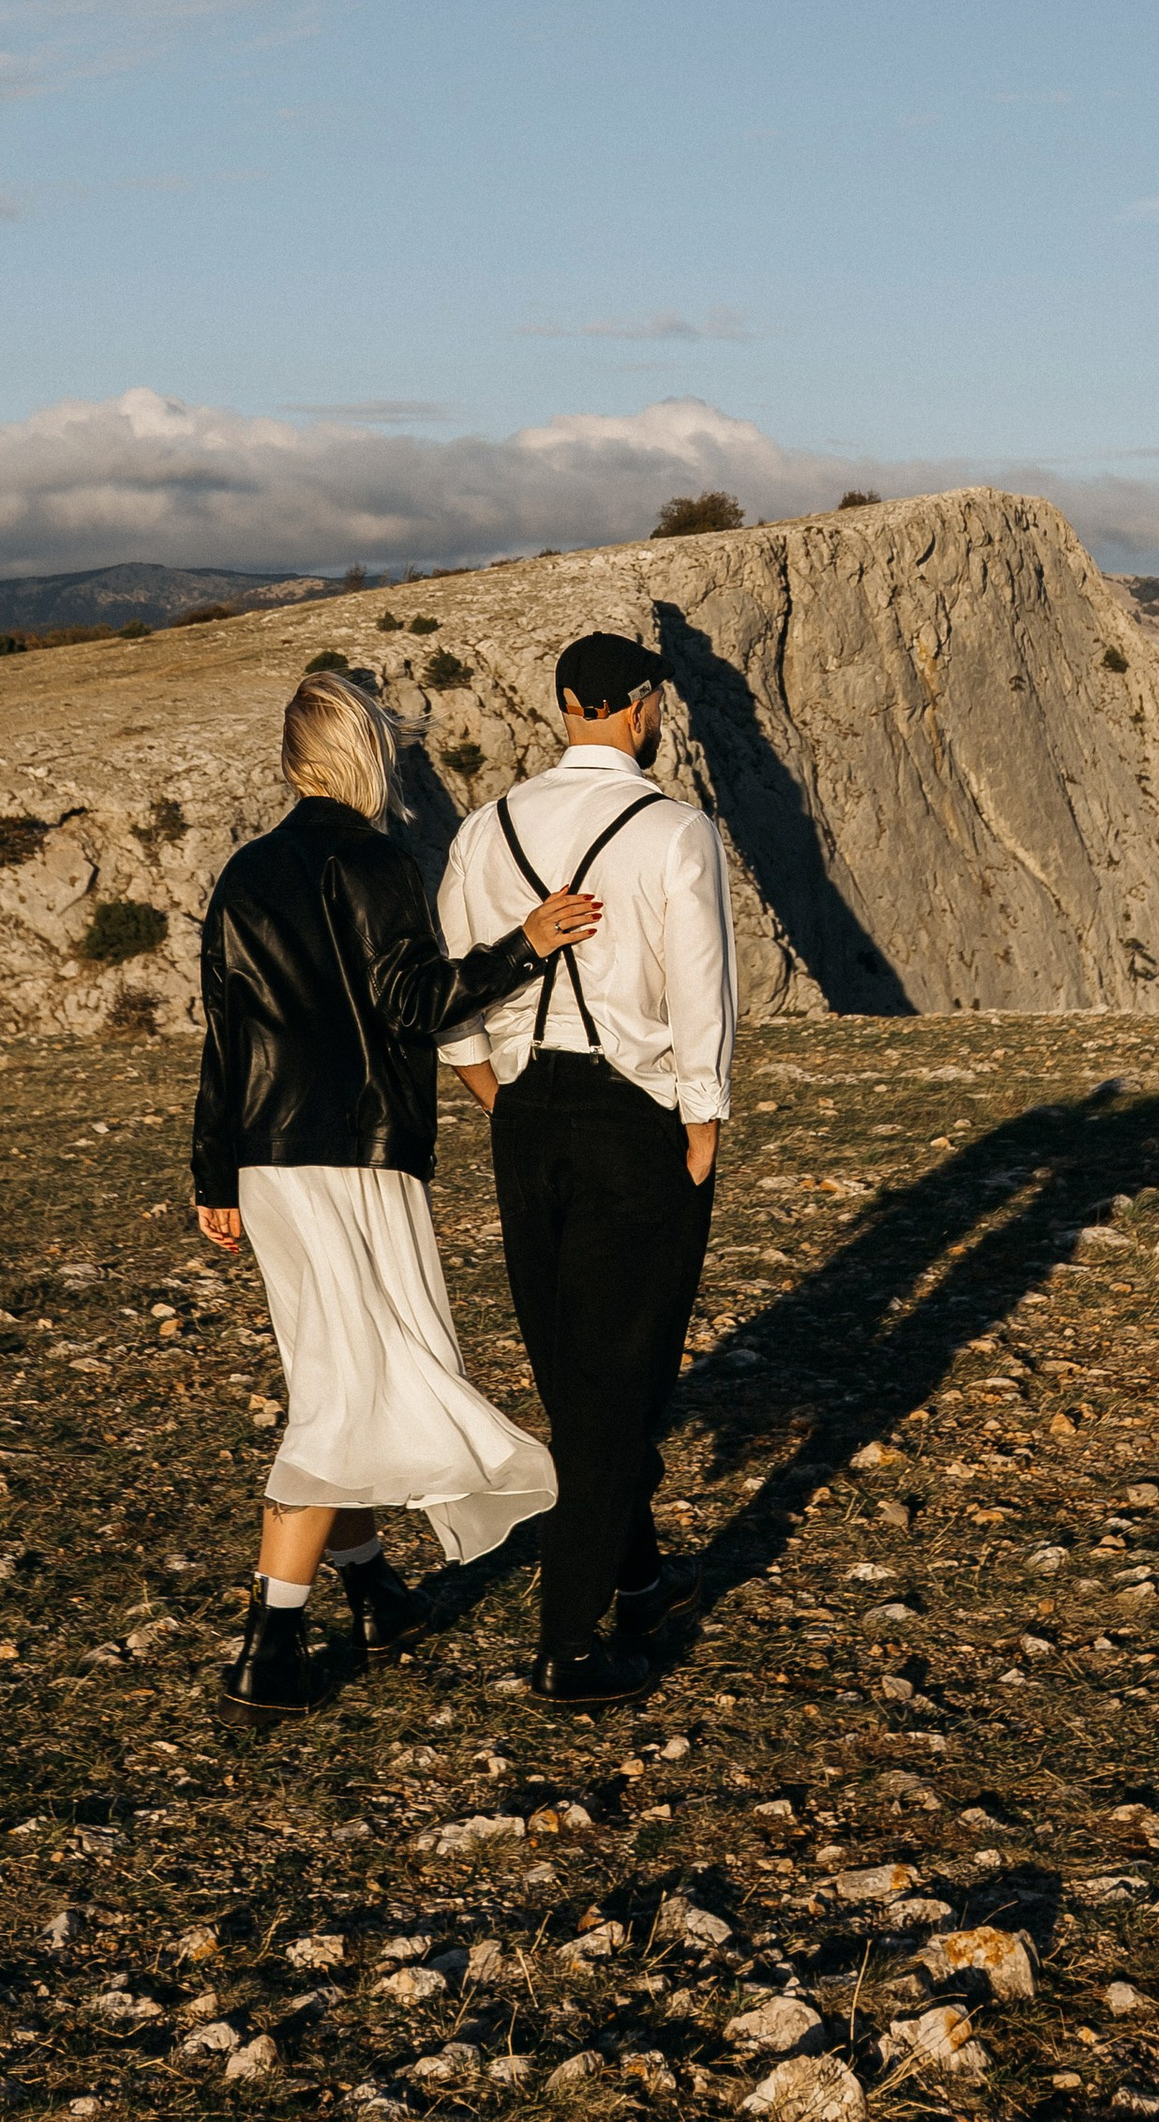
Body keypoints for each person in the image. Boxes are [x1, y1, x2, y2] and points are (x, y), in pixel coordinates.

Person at [190, 664, 603, 1722]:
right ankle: (270, 1641)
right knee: (347, 1385)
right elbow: (415, 1002)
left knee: (342, 1367)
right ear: (363, 751)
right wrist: (527, 946)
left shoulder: (241, 874)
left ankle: (373, 1588)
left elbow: (226, 1040)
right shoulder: (373, 862)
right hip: (357, 1161)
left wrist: (211, 1174)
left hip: (268, 1163)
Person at [436, 630, 738, 1708]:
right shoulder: (672, 828)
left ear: (565, 705)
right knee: (621, 1381)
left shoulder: (486, 827)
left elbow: (454, 976)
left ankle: (639, 1569)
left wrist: (483, 1077)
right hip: (633, 1116)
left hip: (525, 1116)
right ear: (644, 706)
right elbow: (701, 978)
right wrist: (701, 1116)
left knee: (571, 1363)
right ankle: (569, 1645)